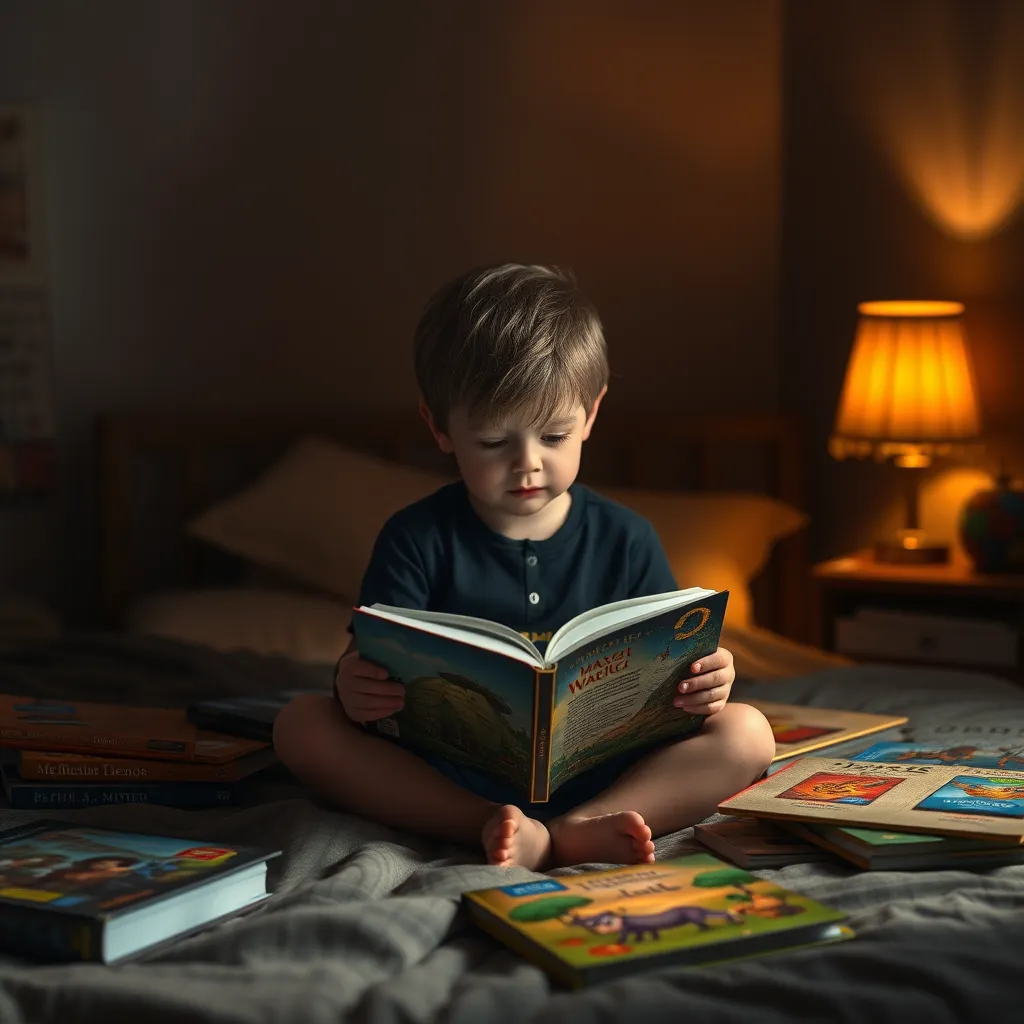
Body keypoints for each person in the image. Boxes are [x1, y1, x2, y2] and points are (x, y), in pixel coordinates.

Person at [273, 263, 775, 869]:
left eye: (555, 436)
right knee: (300, 725)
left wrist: (705, 683)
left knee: (748, 732)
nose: (527, 464)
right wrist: (351, 688)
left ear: (592, 414)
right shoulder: (415, 537)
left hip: (607, 773)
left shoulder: (626, 537)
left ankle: (574, 825)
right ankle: (490, 826)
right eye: (492, 442)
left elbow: (672, 670)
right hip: (448, 775)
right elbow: (369, 667)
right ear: (439, 426)